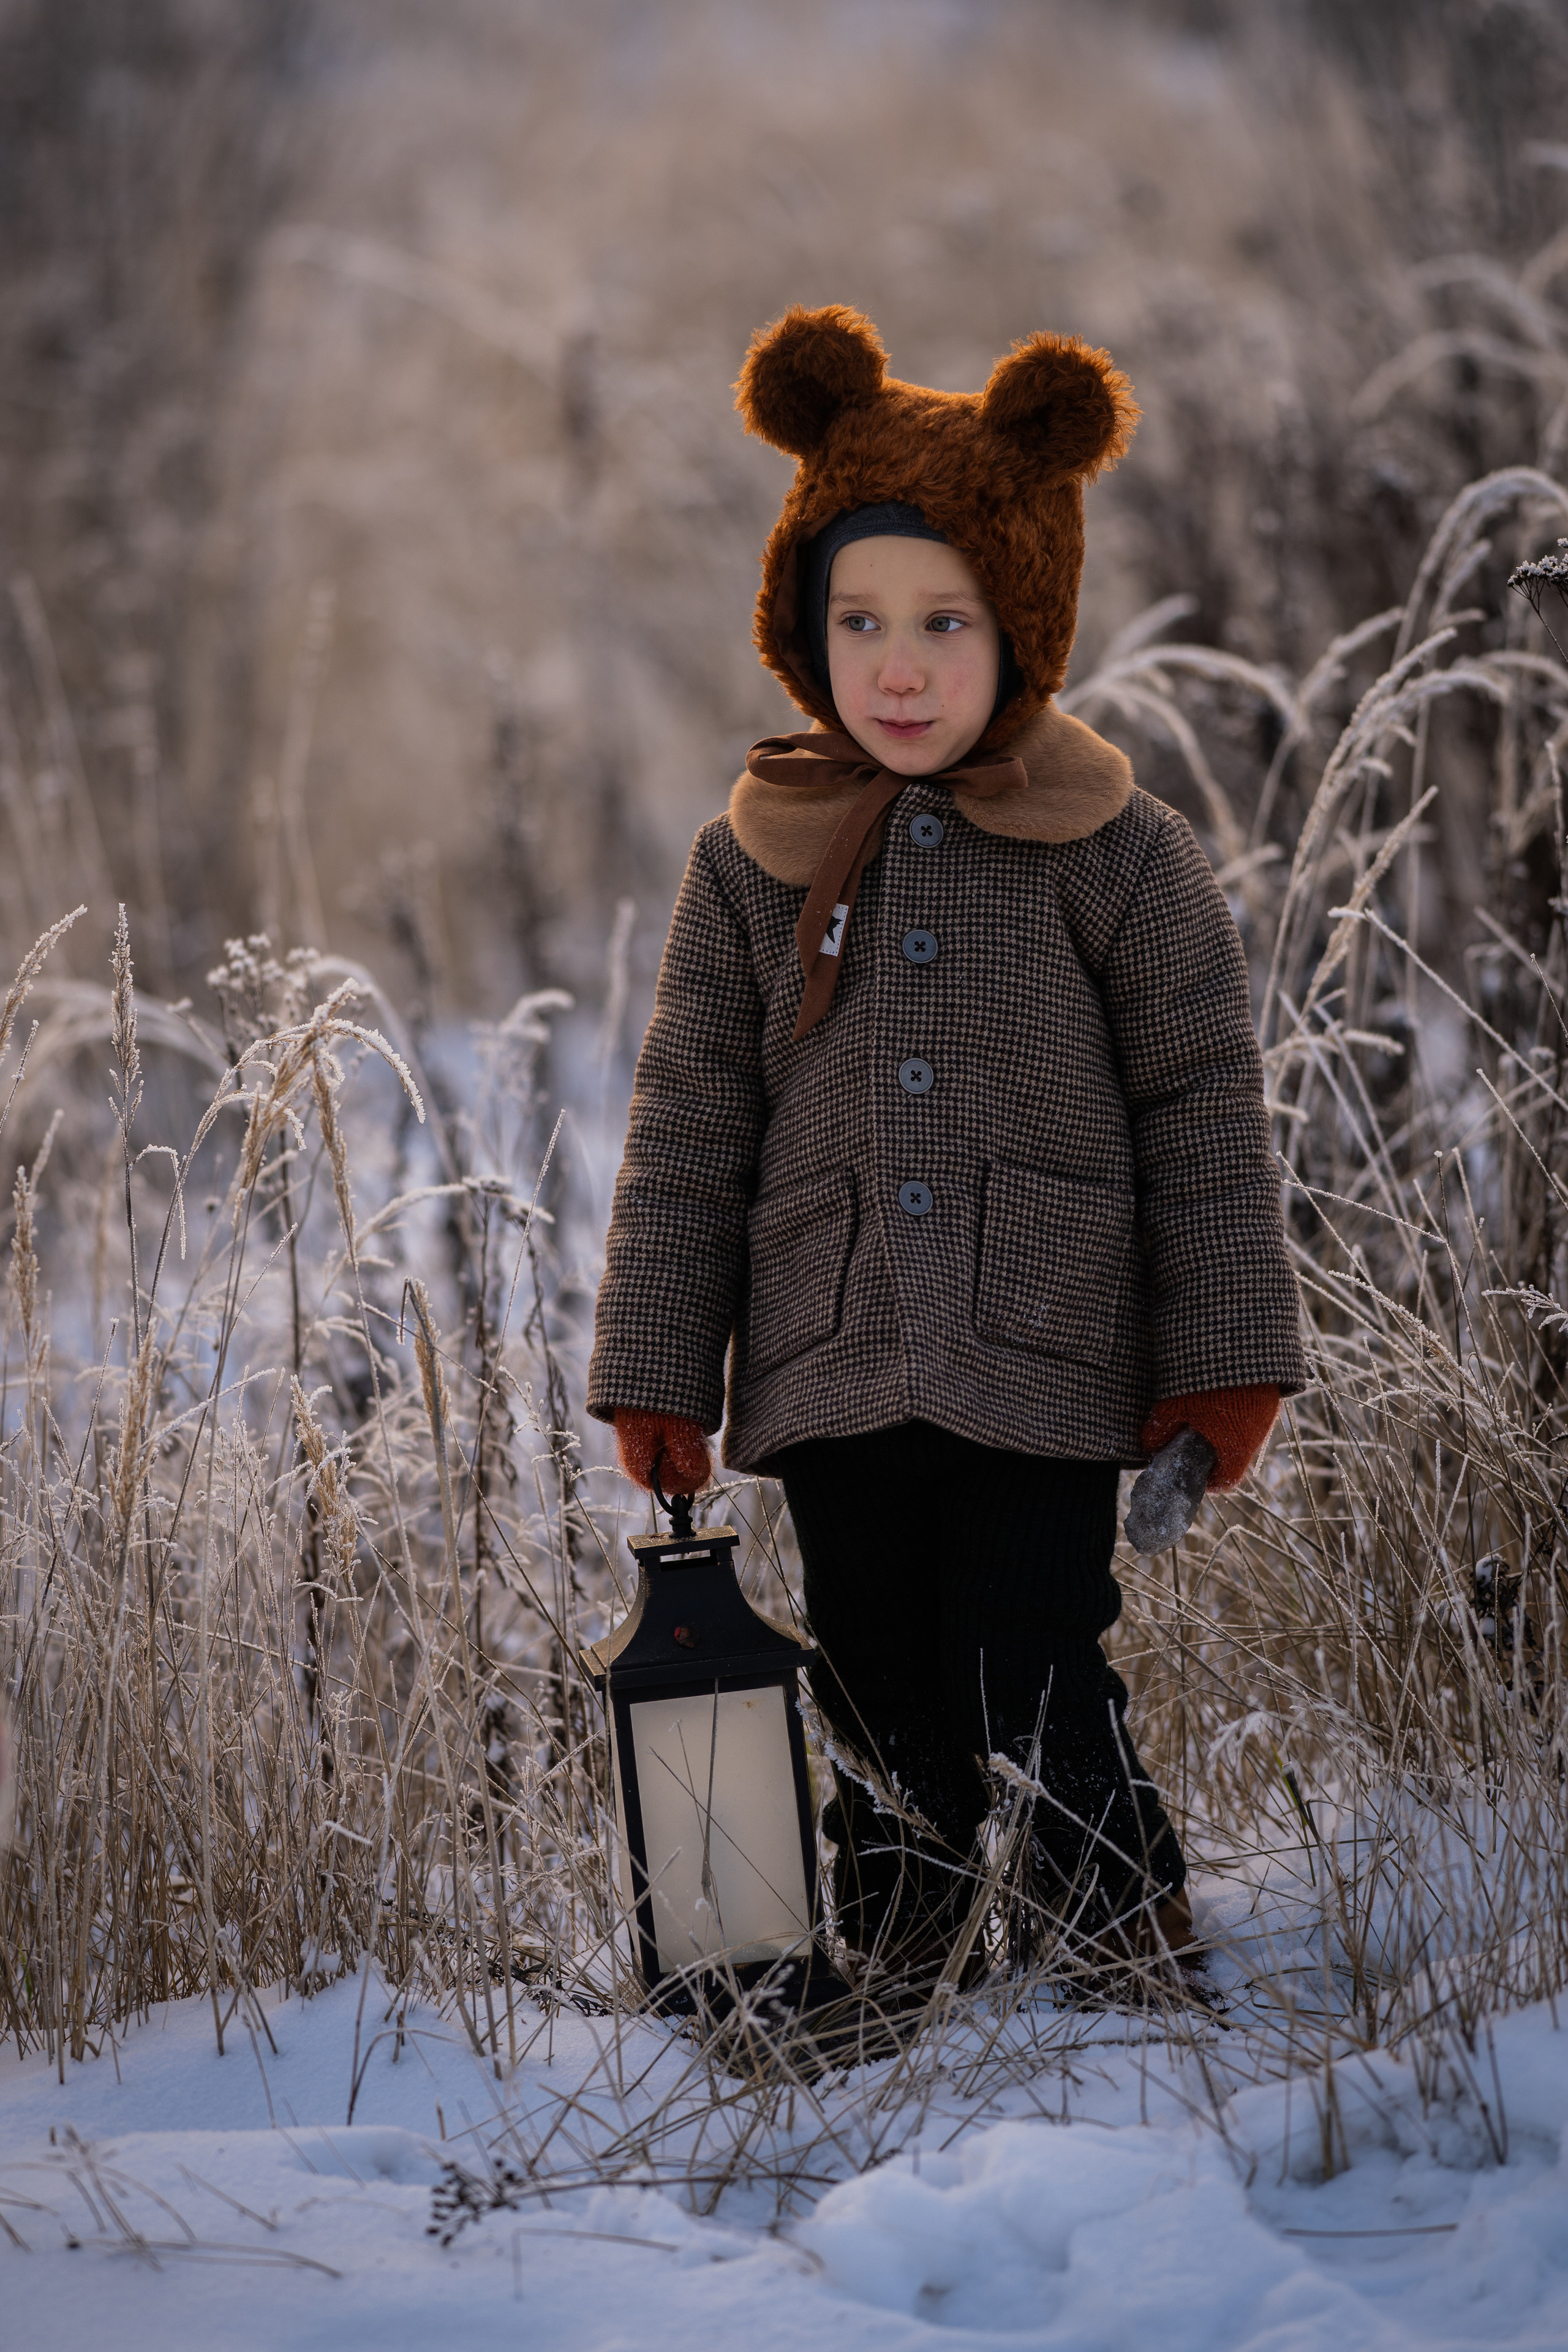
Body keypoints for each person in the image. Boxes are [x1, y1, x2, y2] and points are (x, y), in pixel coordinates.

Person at [588, 305, 1303, 1991]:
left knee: (1032, 1650)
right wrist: (659, 1365)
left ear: (1024, 621)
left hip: (1048, 1343)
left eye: (944, 622)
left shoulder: (1115, 848)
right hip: (832, 1349)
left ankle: (1113, 1921)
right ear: (799, 626)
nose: (897, 666)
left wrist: (1223, 1358)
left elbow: (1201, 1105)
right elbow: (690, 1125)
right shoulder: (753, 855)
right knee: (871, 1668)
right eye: (858, 622)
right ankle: (912, 1936)